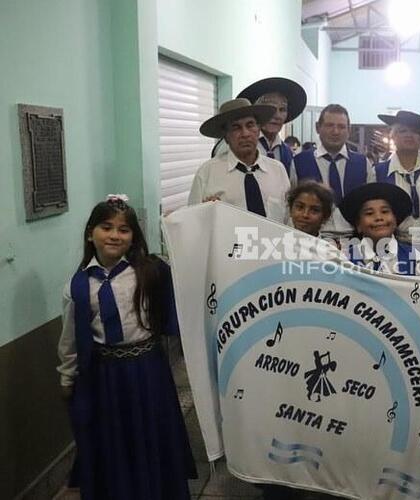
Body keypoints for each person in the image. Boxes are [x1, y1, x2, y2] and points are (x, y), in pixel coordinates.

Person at [58, 195, 196, 500]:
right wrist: (67, 377)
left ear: (133, 236)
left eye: (124, 229)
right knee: (113, 441)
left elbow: (187, 277)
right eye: (106, 227)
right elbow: (69, 339)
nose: (114, 235)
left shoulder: (150, 272)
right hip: (105, 377)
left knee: (151, 435)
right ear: (89, 233)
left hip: (148, 370)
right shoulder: (78, 286)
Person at [189, 98, 290, 222]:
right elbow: (194, 223)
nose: (245, 133)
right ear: (226, 137)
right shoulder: (207, 173)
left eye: (250, 125)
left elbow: (288, 220)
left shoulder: (278, 170)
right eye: (236, 127)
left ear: (258, 130)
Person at [292, 104, 370, 238]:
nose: (335, 131)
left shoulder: (363, 163)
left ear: (349, 130)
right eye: (330, 125)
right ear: (318, 127)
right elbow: (292, 205)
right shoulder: (299, 162)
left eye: (341, 126)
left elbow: (370, 204)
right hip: (313, 238)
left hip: (355, 238)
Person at [339, 183, 420, 275]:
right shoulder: (345, 259)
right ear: (358, 225)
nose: (379, 217)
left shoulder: (413, 256)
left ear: (396, 220)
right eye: (369, 213)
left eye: (385, 211)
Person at [237, 77, 308, 176]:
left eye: (282, 109)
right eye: (270, 108)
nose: (277, 116)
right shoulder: (237, 144)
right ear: (255, 111)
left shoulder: (287, 153)